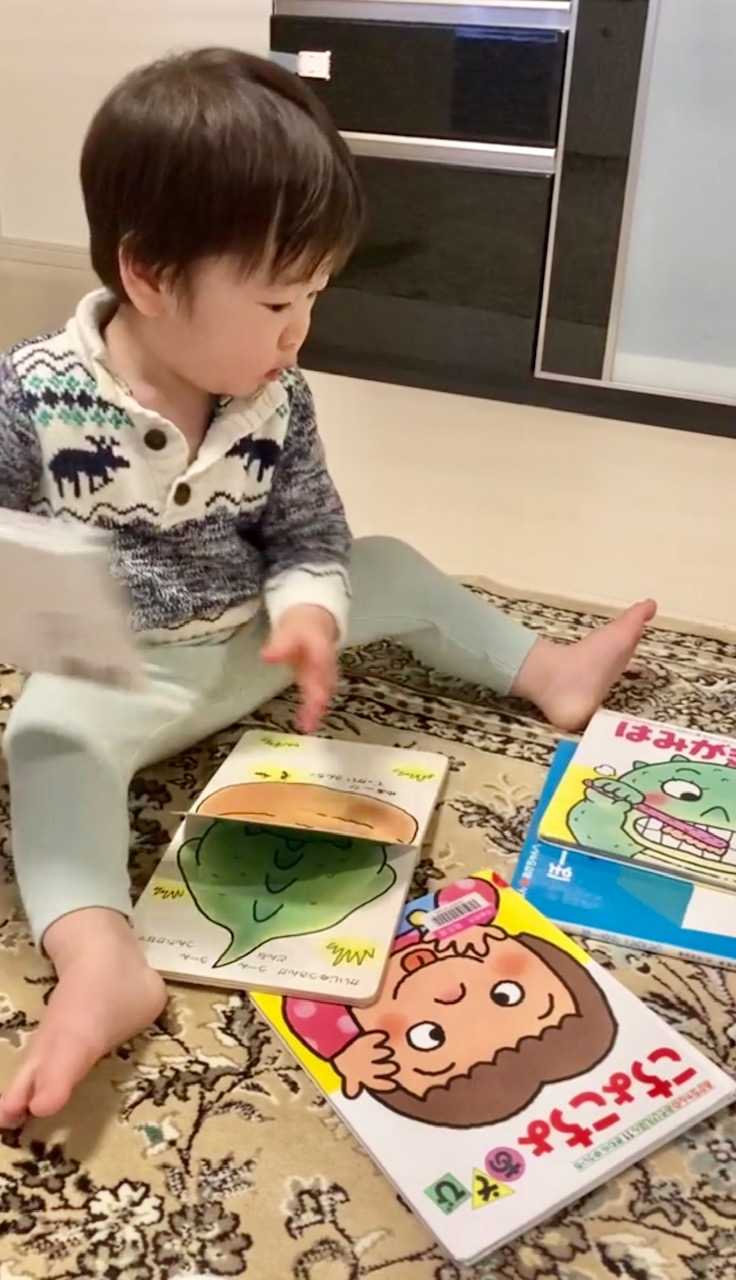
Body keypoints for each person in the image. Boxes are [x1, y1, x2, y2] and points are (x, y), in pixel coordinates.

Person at [0, 48, 654, 1128]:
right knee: (44, 741)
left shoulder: (275, 396)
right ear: (152, 277)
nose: (299, 330)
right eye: (276, 300)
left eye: (313, 296)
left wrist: (310, 608)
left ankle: (548, 672)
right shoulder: (36, 395)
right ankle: (101, 955)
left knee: (385, 561)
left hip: (257, 647)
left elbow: (309, 529)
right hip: (123, 679)